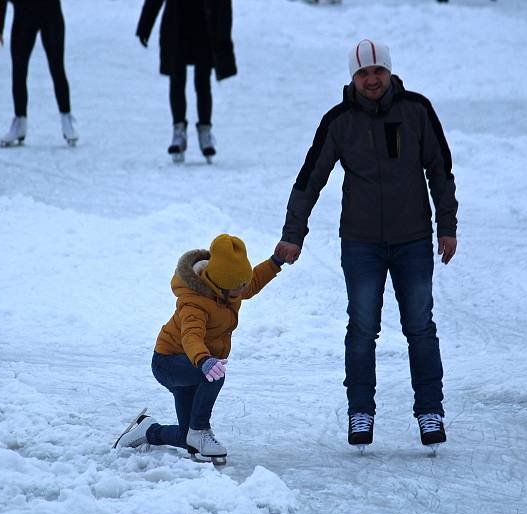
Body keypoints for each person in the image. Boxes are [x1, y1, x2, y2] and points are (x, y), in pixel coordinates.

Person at [274, 39, 458, 450]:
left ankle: (430, 411)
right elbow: (310, 178)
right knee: (361, 330)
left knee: (420, 328)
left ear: (389, 72)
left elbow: (440, 169)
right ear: (353, 78)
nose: (371, 79)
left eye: (378, 71)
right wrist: (293, 234)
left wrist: (447, 225)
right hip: (360, 244)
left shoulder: (417, 110)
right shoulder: (339, 121)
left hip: (412, 239)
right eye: (363, 73)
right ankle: (361, 411)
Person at [114, 235, 284, 463]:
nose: (241, 292)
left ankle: (148, 431)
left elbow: (251, 284)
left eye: (242, 285)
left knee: (187, 438)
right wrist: (204, 360)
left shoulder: (231, 287)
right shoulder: (193, 302)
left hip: (194, 363)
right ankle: (201, 430)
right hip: (170, 362)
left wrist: (276, 261)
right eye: (236, 288)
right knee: (214, 376)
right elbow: (190, 336)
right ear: (219, 285)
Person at [136, 0, 236, 164]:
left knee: (203, 81)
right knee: (177, 79)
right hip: (176, 26)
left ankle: (205, 131)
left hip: (205, 26)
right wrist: (144, 26)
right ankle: (178, 131)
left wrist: (224, 34)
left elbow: (224, 4)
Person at [0, 0, 78, 147]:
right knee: (19, 69)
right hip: (24, 16)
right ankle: (20, 122)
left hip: (51, 14)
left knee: (57, 67)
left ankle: (66, 118)